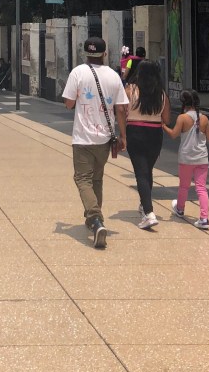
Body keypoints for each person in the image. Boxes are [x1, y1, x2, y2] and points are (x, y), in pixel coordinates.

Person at [62, 37, 129, 250]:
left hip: (83, 138)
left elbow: (68, 104)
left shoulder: (77, 73)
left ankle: (95, 218)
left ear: (86, 53)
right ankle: (94, 219)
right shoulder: (114, 76)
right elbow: (121, 108)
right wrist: (123, 136)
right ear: (104, 54)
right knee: (97, 179)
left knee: (82, 179)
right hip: (105, 139)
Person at [123, 59, 171, 230]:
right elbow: (167, 119)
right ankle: (145, 205)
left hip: (135, 131)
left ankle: (149, 212)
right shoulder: (161, 94)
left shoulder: (130, 90)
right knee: (147, 169)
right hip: (155, 134)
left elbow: (121, 110)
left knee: (140, 172)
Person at [162, 89, 209, 229]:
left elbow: (173, 134)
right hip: (202, 158)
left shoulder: (182, 118)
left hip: (186, 158)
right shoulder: (204, 118)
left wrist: (163, 126)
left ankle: (180, 209)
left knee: (184, 186)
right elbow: (208, 138)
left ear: (184, 103)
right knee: (201, 188)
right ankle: (204, 218)